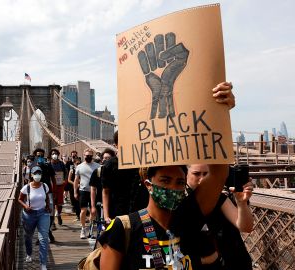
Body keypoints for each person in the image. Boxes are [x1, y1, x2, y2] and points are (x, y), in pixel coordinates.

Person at [99, 81, 235, 269]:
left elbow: (219, 172)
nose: (173, 187)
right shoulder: (123, 229)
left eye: (180, 181)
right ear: (148, 184)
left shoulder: (188, 218)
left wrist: (219, 111)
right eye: (165, 180)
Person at [187, 164, 254, 269]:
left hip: (232, 261)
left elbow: (246, 227)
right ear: (186, 175)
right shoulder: (179, 202)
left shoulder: (218, 197)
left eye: (206, 174)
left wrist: (242, 203)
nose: (202, 179)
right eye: (196, 174)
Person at [102, 131, 149, 224]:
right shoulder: (109, 165)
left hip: (141, 212)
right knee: (120, 238)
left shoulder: (141, 163)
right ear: (116, 145)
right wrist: (106, 216)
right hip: (117, 214)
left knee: (146, 238)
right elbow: (105, 191)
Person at [18, 166, 50, 270]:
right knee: (28, 236)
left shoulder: (45, 186)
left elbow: (47, 197)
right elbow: (19, 199)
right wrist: (25, 206)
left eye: (39, 173)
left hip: (43, 214)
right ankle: (29, 253)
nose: (37, 175)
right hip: (29, 215)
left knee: (43, 239)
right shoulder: (26, 187)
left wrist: (48, 206)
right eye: (35, 173)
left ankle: (43, 264)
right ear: (31, 175)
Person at [89, 148, 116, 237]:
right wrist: (92, 207)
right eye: (104, 158)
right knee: (101, 223)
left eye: (108, 158)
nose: (105, 160)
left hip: (113, 202)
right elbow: (93, 189)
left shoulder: (116, 171)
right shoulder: (97, 172)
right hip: (100, 201)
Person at [74, 148, 100, 239]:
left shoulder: (97, 166)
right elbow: (76, 180)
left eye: (90, 155)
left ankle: (91, 229)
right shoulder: (79, 167)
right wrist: (75, 192)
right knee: (83, 211)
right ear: (83, 155)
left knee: (93, 212)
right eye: (86, 155)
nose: (88, 157)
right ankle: (83, 228)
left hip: (94, 191)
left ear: (92, 156)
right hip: (83, 191)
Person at [33, 148, 57, 241]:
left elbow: (53, 179)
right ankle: (44, 235)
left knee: (50, 213)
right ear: (35, 156)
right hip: (37, 193)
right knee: (38, 214)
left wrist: (54, 191)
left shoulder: (48, 165)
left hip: (49, 192)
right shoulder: (33, 167)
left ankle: (47, 231)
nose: (40, 157)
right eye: (38, 156)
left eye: (42, 156)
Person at [49, 148, 67, 225]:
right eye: (53, 153)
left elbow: (66, 172)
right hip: (51, 186)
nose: (54, 155)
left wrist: (65, 180)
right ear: (50, 155)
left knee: (59, 202)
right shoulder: (48, 164)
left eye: (56, 153)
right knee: (51, 202)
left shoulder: (61, 164)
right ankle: (52, 220)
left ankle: (59, 214)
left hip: (60, 185)